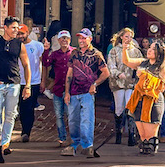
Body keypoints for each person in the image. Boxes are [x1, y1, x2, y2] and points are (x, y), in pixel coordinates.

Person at [0, 16, 32, 164]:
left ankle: (4, 143)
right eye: (14, 28)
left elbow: (26, 65)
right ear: (6, 27)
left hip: (14, 84)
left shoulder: (19, 44)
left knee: (11, 115)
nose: (16, 30)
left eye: (18, 28)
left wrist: (27, 85)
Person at [62, 28, 109, 158]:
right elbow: (69, 73)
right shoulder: (74, 53)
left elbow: (106, 72)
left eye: (84, 38)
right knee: (73, 120)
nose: (81, 40)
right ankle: (75, 144)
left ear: (90, 39)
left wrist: (95, 84)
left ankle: (87, 145)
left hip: (87, 92)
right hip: (74, 91)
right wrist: (67, 92)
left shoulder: (96, 54)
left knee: (86, 120)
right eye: (80, 38)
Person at [124, 39, 165, 155]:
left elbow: (161, 87)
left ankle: (151, 148)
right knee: (142, 133)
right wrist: (125, 48)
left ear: (159, 53)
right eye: (149, 48)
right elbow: (127, 61)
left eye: (153, 49)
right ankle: (143, 145)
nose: (149, 50)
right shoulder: (142, 62)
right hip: (139, 99)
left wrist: (145, 75)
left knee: (150, 133)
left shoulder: (163, 68)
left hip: (153, 101)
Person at [107, 28, 141, 145]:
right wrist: (117, 74)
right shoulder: (114, 51)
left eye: (130, 36)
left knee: (130, 107)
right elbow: (111, 66)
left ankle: (132, 135)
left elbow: (141, 64)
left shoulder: (136, 51)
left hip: (131, 83)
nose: (128, 39)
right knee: (119, 108)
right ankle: (119, 133)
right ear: (121, 37)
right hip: (118, 83)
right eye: (126, 36)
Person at [42, 30, 74, 146]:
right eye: (62, 38)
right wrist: (46, 50)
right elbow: (46, 63)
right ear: (58, 40)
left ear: (70, 40)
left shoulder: (74, 53)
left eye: (66, 38)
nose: (64, 40)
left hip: (71, 90)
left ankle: (74, 138)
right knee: (59, 115)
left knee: (71, 115)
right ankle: (62, 138)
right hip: (58, 89)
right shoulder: (55, 54)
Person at [17, 24, 45, 142]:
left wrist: (43, 80)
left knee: (29, 107)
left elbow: (43, 63)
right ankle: (24, 129)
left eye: (22, 33)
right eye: (18, 34)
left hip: (33, 81)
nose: (20, 36)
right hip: (18, 81)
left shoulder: (37, 45)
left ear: (27, 33)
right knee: (21, 107)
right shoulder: (14, 45)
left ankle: (26, 131)